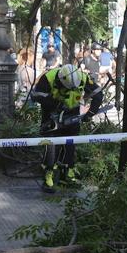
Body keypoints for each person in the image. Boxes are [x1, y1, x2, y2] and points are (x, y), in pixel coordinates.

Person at [31, 64, 103, 192]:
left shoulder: (82, 77)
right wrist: (55, 104)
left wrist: (90, 113)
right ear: (61, 80)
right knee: (52, 145)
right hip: (51, 114)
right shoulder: (49, 78)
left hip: (72, 114)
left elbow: (98, 94)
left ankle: (67, 174)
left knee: (70, 144)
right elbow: (35, 95)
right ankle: (49, 176)